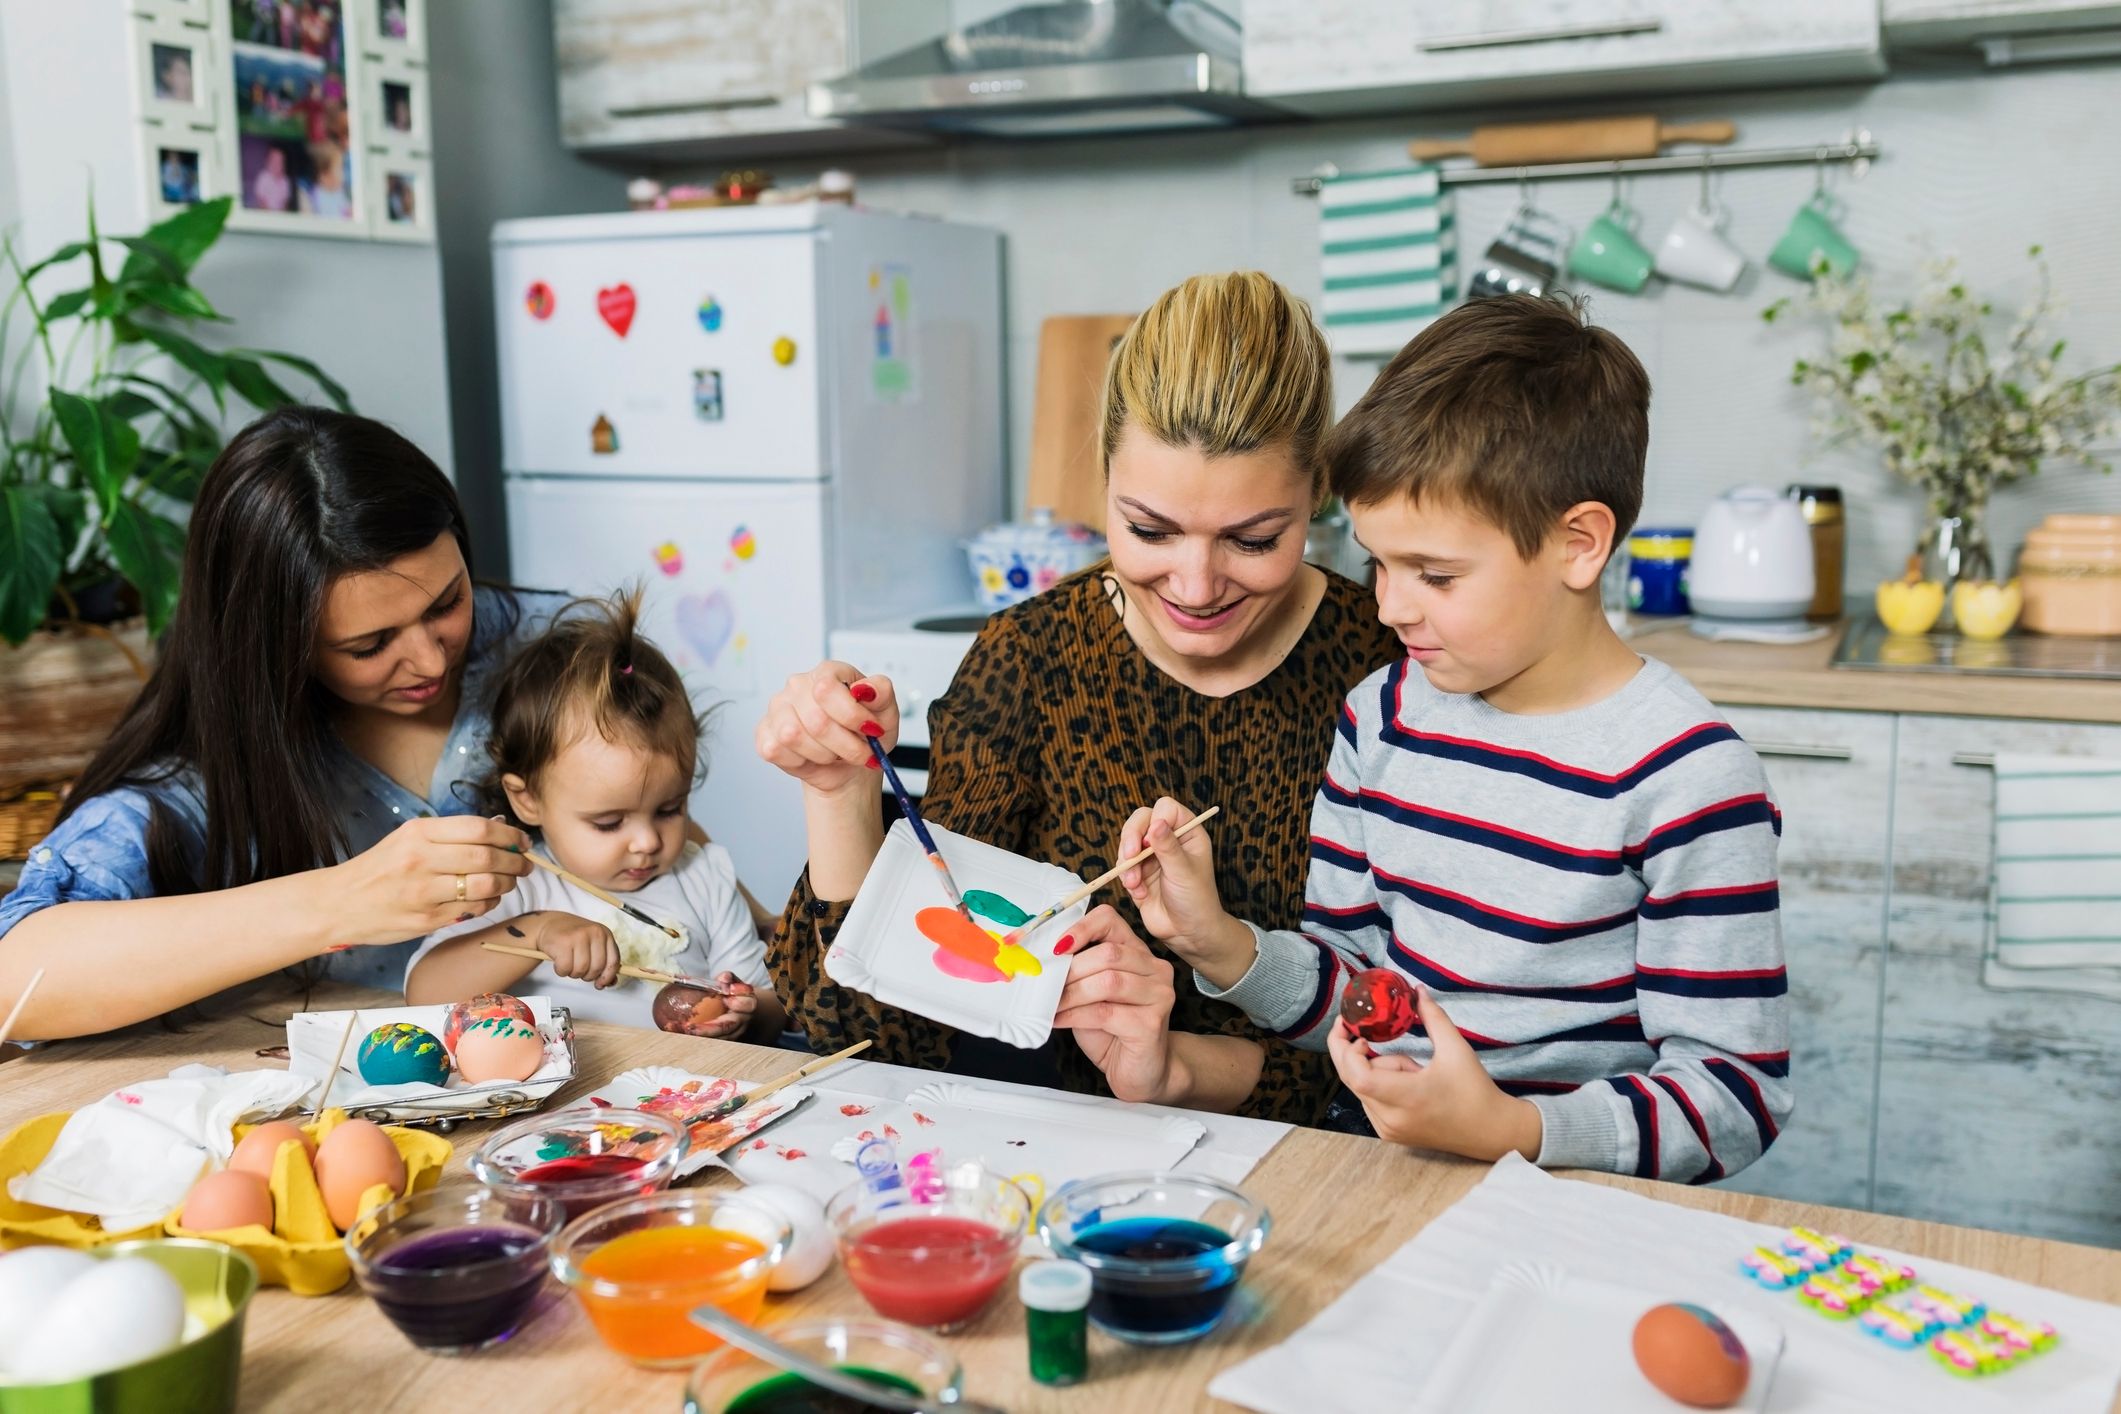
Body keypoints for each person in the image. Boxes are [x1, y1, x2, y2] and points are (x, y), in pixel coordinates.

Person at [1113, 293, 1793, 1181]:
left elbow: (1734, 1098)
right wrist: (1218, 943)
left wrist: (1510, 1128)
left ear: (1578, 544)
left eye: (1434, 574)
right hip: (1389, 1172)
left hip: (1573, 1201)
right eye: (1377, 564)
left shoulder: (1685, 778)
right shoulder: (1382, 717)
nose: (1389, 608)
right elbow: (1361, 995)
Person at [756, 271, 1401, 1122]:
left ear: (1317, 491)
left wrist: (1177, 1070)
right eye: (1149, 530)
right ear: (1102, 477)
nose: (1195, 585)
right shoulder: (1032, 664)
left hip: (1344, 1156)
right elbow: (873, 1041)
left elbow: (1426, 1033)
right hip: (1080, 1157)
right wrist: (839, 795)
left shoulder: (1389, 664)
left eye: (1252, 540)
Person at [0, 409, 552, 1040]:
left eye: (448, 602)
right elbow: (15, 979)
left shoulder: (559, 656)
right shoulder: (206, 776)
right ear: (277, 645)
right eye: (369, 645)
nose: (430, 660)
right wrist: (342, 901)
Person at [406, 591, 786, 1040]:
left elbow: (774, 1010)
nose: (647, 841)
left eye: (670, 809)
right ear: (527, 800)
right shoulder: (516, 885)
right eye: (609, 823)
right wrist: (538, 932)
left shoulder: (704, 877)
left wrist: (745, 1012)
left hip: (684, 1078)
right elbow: (423, 995)